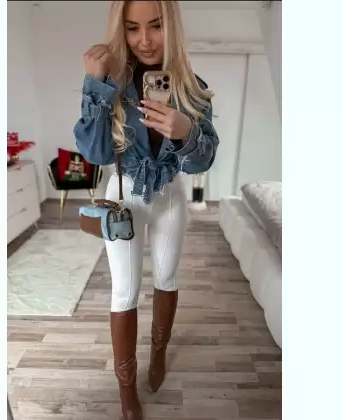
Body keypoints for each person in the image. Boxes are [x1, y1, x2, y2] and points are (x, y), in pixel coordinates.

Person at [74, 1, 219, 419]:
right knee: (125, 290)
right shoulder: (112, 85)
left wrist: (186, 131)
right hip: (125, 196)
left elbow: (201, 163)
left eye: (155, 26)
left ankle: (158, 354)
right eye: (132, 28)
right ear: (121, 30)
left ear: (171, 26)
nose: (145, 40)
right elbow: (96, 153)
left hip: (170, 194)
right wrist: (94, 84)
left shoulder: (193, 88)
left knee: (167, 278)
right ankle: (126, 388)